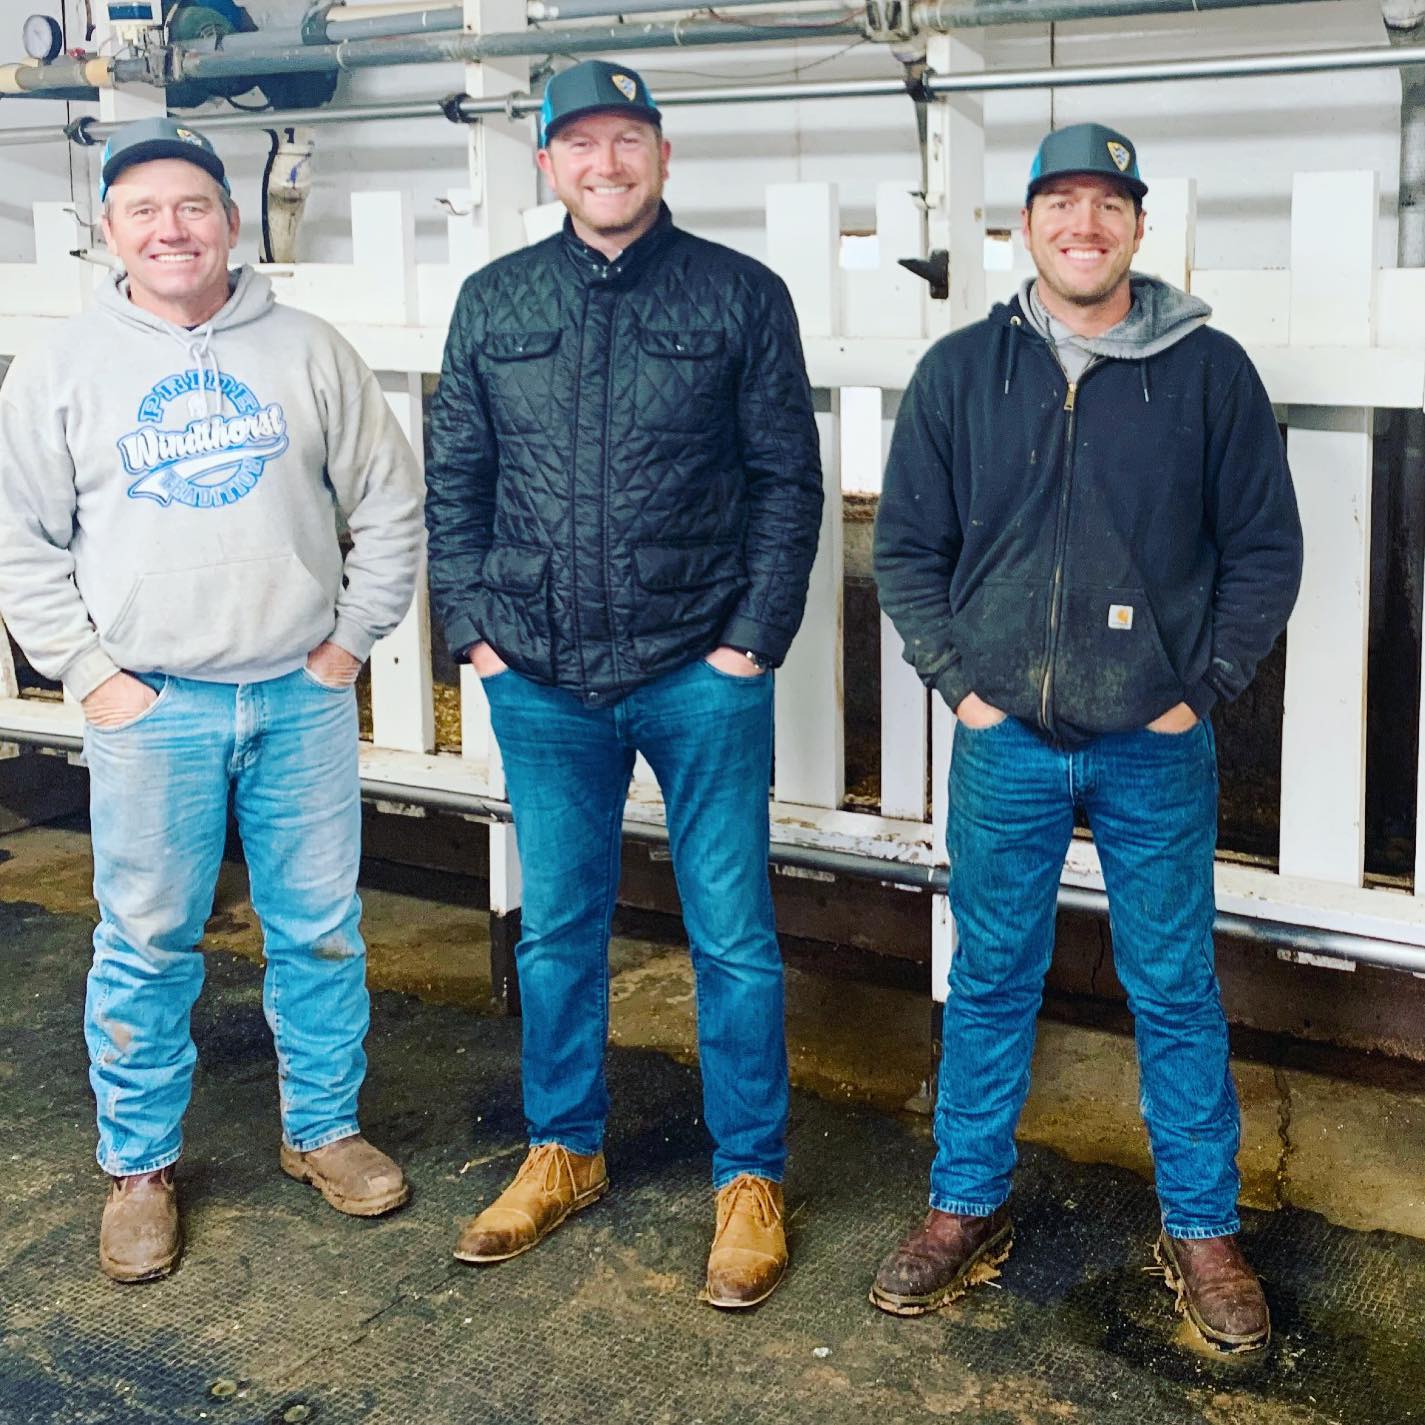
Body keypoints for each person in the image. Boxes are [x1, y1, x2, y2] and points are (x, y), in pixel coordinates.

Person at [870, 122, 1302, 1351]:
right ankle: (964, 1207)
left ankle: (1202, 1227)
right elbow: (906, 550)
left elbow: (1266, 549)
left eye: (1107, 205)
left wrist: (1202, 684)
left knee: (1173, 985)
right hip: (1005, 739)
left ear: (1138, 228)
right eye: (1060, 204)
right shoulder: (962, 374)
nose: (1084, 226)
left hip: (1154, 744)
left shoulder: (1209, 373)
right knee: (992, 975)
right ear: (1026, 228)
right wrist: (961, 686)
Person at [425, 59, 823, 1308]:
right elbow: (456, 481)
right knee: (557, 931)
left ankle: (749, 1178)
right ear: (547, 162)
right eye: (581, 144)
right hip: (540, 681)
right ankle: (566, 1150)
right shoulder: (494, 301)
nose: (607, 163)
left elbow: (787, 484)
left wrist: (749, 640)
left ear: (663, 154)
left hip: (697, 672)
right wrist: (478, 636)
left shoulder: (741, 296)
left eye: (628, 140)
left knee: (735, 940)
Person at [0, 117, 425, 1282]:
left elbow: (390, 504)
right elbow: (21, 543)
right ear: (110, 233)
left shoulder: (309, 351)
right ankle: (139, 1167)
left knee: (321, 933)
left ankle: (323, 1131)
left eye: (193, 206)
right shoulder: (61, 369)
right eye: (144, 211)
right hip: (155, 709)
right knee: (143, 940)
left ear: (233, 224)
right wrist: (90, 673)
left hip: (299, 697)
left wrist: (347, 643)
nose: (171, 228)